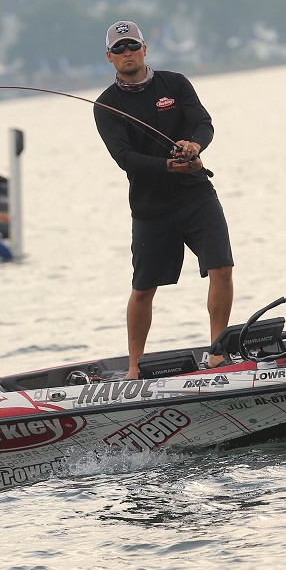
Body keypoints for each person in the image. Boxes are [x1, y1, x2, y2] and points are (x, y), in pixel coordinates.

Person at [93, 20, 234, 379]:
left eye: (132, 46)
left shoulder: (175, 83)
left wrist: (194, 146)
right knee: (143, 289)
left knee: (221, 268)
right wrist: (169, 166)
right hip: (150, 208)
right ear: (109, 57)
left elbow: (203, 123)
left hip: (196, 195)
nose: (127, 53)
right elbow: (124, 157)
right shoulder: (106, 105)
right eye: (119, 49)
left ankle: (217, 353)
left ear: (144, 49)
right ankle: (134, 367)